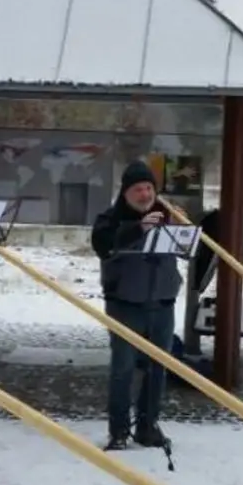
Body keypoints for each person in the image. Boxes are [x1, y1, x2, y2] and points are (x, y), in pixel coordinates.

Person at [91, 160, 181, 453]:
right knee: (124, 369)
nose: (145, 195)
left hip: (162, 303)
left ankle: (148, 426)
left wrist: (185, 232)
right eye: (138, 190)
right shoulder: (110, 219)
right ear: (125, 193)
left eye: (148, 189)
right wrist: (138, 229)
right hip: (125, 304)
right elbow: (103, 245)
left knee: (158, 368)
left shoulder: (168, 216)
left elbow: (188, 250)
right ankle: (118, 430)